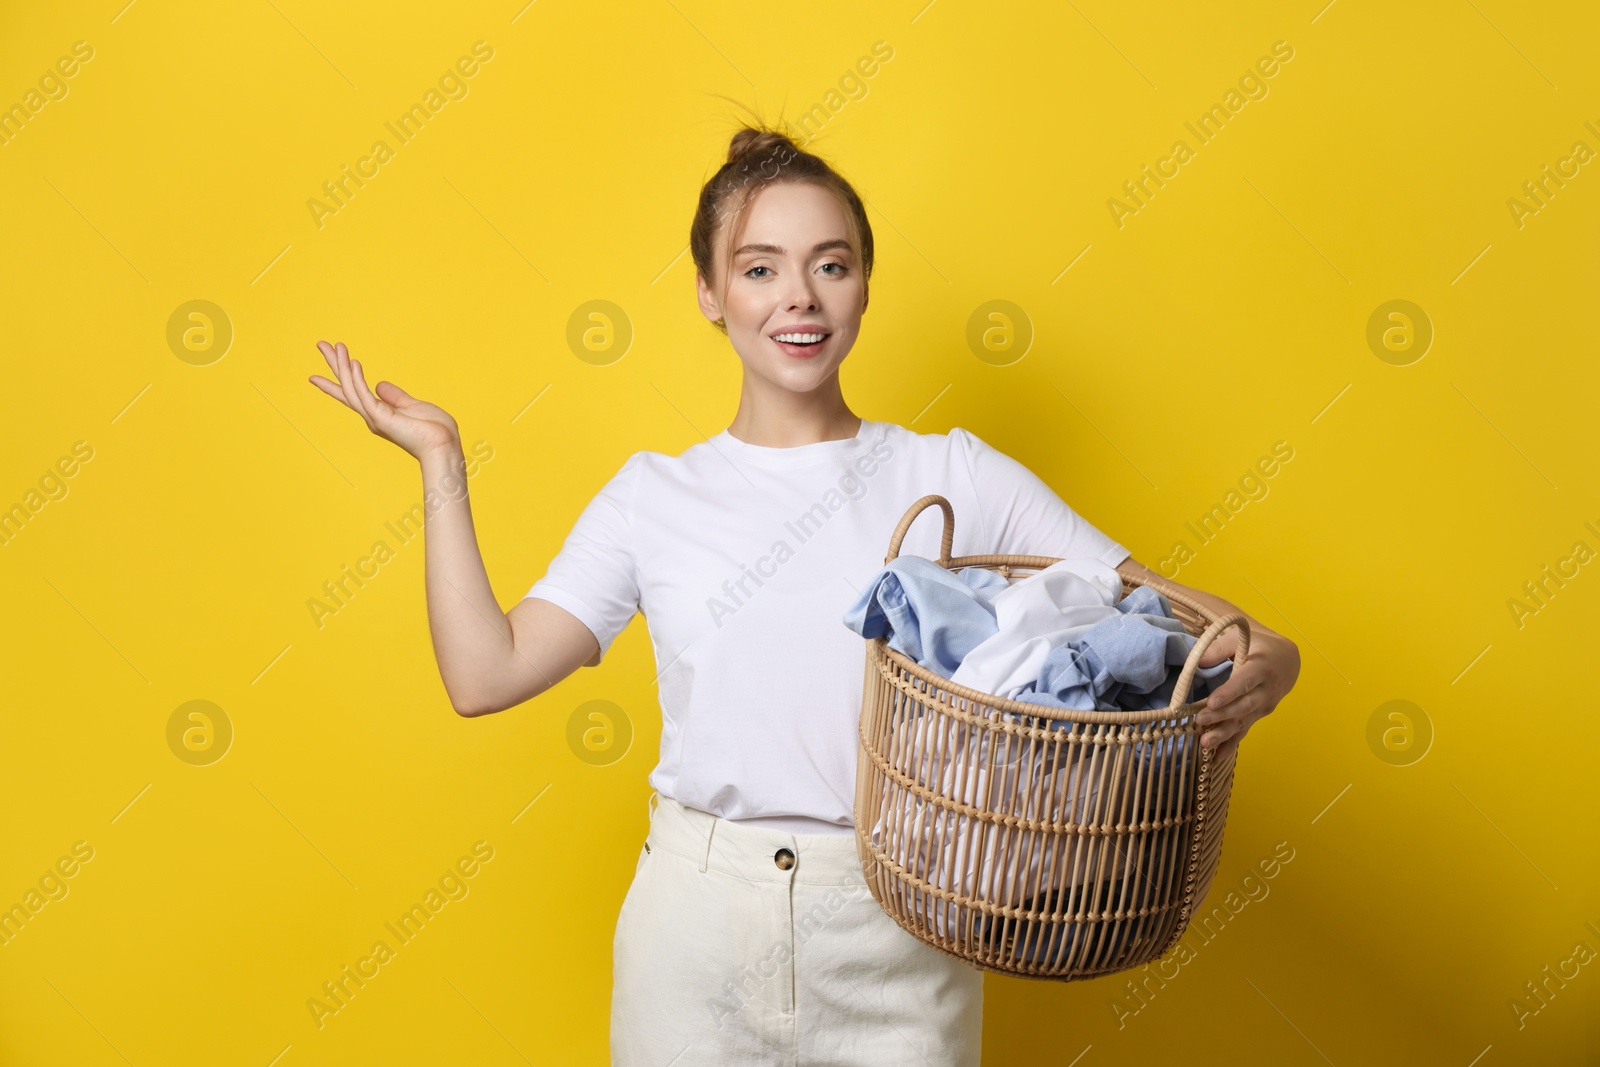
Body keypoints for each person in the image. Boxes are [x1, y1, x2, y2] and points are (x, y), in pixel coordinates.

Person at [308, 124, 1302, 1066]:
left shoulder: (953, 474)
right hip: (693, 937)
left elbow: (1200, 625)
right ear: (707, 291)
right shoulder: (654, 494)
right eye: (759, 267)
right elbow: (484, 673)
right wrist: (441, 463)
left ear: (865, 285)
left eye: (831, 264)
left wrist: (1270, 661)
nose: (801, 297)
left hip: (902, 932)